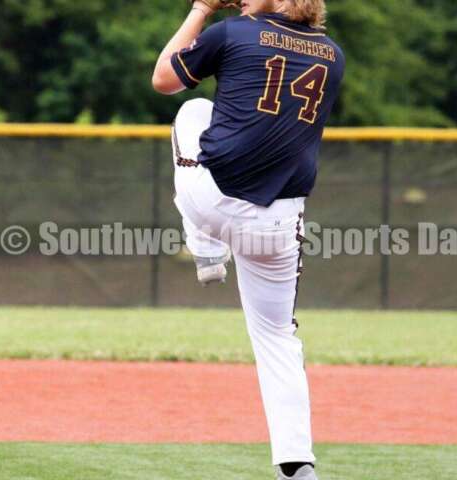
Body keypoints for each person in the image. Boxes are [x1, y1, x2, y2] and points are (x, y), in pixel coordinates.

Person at [152, 1, 344, 478]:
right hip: (279, 223)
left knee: (193, 109)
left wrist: (200, 9)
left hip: (213, 202)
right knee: (279, 337)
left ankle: (207, 250)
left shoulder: (233, 31)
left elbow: (162, 79)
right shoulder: (332, 55)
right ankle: (296, 465)